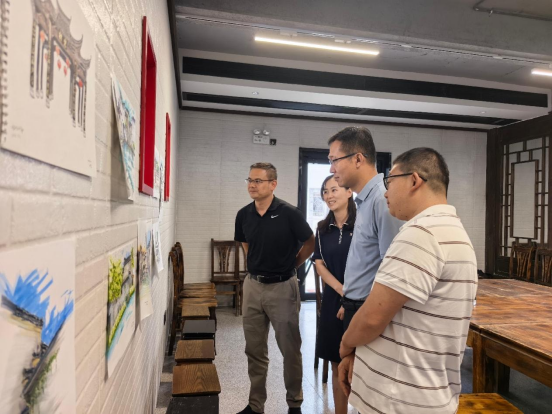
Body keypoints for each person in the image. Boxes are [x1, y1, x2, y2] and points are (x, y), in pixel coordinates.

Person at [338, 148, 478, 414]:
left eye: (390, 181)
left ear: (414, 180)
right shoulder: (452, 229)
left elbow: (372, 317)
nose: (386, 192)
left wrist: (346, 345)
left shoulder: (421, 233)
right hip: (424, 393)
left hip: (401, 399)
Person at [234, 162, 315, 414]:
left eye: (258, 181)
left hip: (282, 287)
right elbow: (246, 245)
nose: (252, 185)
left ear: (273, 184)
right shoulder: (243, 214)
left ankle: (294, 404)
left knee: (290, 350)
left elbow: (310, 242)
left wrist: (293, 264)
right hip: (253, 286)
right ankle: (256, 405)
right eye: (249, 180)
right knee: (254, 350)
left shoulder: (290, 213)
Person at [328, 126, 403, 329]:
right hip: (355, 305)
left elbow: (392, 269)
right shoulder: (365, 200)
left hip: (368, 309)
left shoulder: (382, 200)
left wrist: (366, 313)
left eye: (335, 160)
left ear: (358, 159)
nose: (331, 169)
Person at [313, 175, 356, 414]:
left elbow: (372, 265)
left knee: (361, 361)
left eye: (334, 189)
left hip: (361, 301)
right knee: (336, 360)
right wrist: (342, 292)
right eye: (325, 191)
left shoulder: (363, 225)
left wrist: (350, 299)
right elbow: (319, 264)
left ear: (349, 192)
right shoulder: (322, 229)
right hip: (333, 300)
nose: (328, 195)